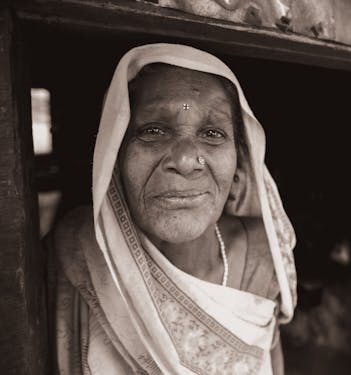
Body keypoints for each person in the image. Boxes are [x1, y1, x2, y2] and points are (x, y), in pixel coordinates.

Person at [48, 43, 297, 375]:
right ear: (114, 157)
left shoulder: (264, 257)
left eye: (212, 133)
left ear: (240, 163)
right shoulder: (77, 253)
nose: (185, 161)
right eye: (153, 131)